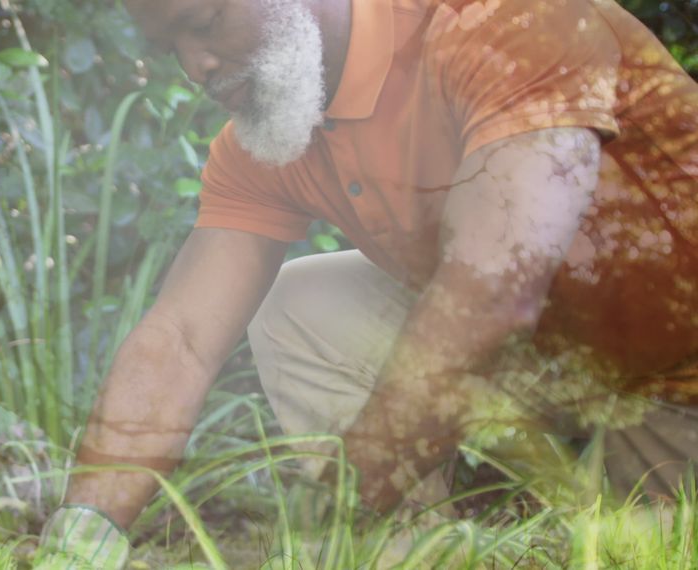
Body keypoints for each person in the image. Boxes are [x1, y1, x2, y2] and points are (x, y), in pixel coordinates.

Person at [37, 0, 698, 567]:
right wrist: (82, 533)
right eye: (171, 46)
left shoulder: (502, 24)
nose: (196, 67)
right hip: (571, 374)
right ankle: (428, 546)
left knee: (643, 547)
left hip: (681, 387)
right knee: (299, 306)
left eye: (207, 22)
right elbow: (180, 339)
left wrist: (333, 513)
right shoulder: (271, 142)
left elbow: (494, 294)